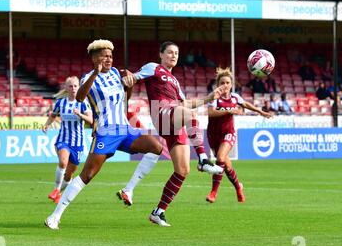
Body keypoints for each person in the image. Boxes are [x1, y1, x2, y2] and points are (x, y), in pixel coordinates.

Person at [45, 39, 163, 230]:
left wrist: (130, 82)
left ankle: (128, 190)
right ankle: (55, 216)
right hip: (105, 132)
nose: (109, 59)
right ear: (94, 58)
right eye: (104, 56)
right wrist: (96, 73)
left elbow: (126, 96)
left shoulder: (116, 73)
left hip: (124, 129)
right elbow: (81, 97)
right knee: (87, 175)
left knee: (156, 147)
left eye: (110, 55)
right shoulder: (87, 78)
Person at [122, 41, 224, 227]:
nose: (173, 55)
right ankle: (203, 160)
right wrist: (128, 78)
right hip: (161, 112)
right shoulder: (154, 67)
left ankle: (158, 212)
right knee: (190, 115)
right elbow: (134, 77)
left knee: (182, 170)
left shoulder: (175, 82)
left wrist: (209, 98)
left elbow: (185, 104)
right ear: (161, 54)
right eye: (169, 52)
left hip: (175, 118)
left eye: (176, 53)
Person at [206, 67, 273, 203]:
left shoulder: (235, 97)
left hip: (228, 133)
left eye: (227, 83)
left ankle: (213, 193)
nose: (225, 85)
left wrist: (261, 112)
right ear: (218, 85)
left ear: (231, 85)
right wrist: (229, 110)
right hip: (213, 135)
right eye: (222, 83)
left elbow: (246, 104)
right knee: (226, 166)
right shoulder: (214, 97)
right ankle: (238, 187)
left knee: (220, 158)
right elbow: (211, 113)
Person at [42, 76, 93, 204]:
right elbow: (53, 115)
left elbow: (91, 120)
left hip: (78, 144)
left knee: (68, 176)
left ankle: (58, 193)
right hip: (63, 140)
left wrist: (80, 115)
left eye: (75, 86)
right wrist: (47, 124)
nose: (73, 88)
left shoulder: (83, 103)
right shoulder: (61, 103)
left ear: (79, 87)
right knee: (63, 162)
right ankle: (56, 190)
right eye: (70, 86)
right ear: (66, 88)